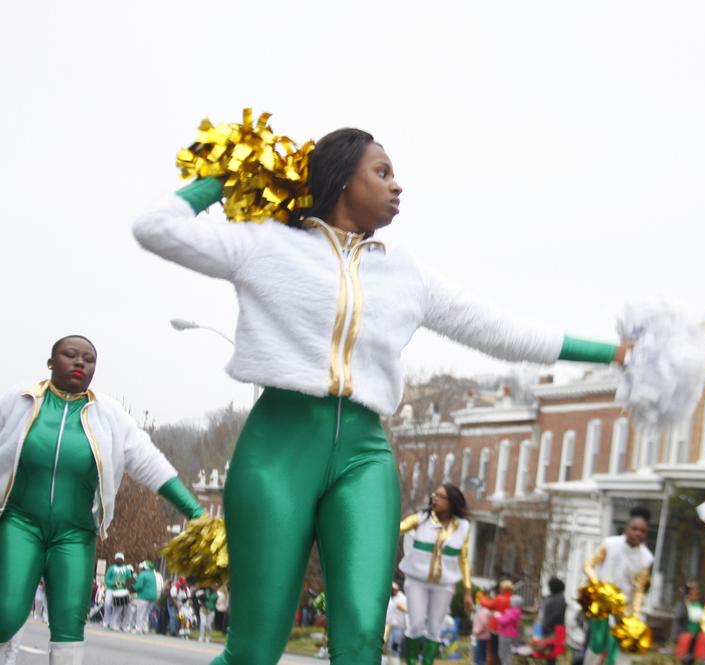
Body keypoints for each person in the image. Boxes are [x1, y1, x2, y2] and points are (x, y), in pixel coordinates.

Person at [132, 127, 628, 665]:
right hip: (277, 451)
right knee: (254, 648)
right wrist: (222, 179)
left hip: (365, 457)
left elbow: (501, 330)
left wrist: (612, 354)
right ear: (343, 178)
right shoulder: (265, 245)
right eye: (383, 172)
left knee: (362, 639)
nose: (398, 187)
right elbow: (156, 228)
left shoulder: (406, 274)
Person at [0, 335, 204, 665]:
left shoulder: (109, 416)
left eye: (89, 359)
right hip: (20, 522)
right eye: (70, 355)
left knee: (69, 626)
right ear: (51, 362)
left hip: (75, 534)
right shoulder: (19, 399)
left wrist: (194, 511)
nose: (80, 363)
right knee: (6, 613)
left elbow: (150, 463)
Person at [398, 483, 473, 665]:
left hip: (444, 585)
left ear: (452, 502)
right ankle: (412, 661)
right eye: (434, 495)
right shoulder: (421, 519)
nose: (435, 499)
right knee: (415, 625)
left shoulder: (463, 527)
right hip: (416, 581)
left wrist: (467, 591)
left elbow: (463, 559)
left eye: (441, 496)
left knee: (434, 629)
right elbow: (398, 528)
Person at [582, 506, 654, 665]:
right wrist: (598, 586)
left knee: (620, 653)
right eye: (634, 529)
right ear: (626, 528)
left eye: (642, 531)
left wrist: (635, 616)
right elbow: (588, 565)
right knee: (596, 646)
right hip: (601, 606)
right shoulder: (609, 544)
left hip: (623, 610)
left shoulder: (646, 558)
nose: (637, 533)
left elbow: (639, 590)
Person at [479, 580, 514, 665]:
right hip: (508, 629)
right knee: (504, 650)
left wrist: (481, 597)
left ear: (503, 589)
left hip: (496, 628)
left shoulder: (499, 598)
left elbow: (487, 604)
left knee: (494, 649)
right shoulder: (513, 600)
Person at [104, 553, 134, 631]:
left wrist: (125, 584)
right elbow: (107, 579)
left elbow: (131, 580)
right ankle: (106, 621)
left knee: (118, 608)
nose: (119, 560)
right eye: (118, 559)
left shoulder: (126, 569)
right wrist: (112, 584)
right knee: (107, 604)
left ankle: (113, 623)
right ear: (115, 559)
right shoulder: (111, 568)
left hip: (121, 590)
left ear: (123, 560)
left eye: (121, 559)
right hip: (111, 589)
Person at [384, 581, 408, 665]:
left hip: (398, 626)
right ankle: (386, 662)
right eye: (392, 589)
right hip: (388, 625)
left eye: (394, 589)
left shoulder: (402, 598)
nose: (393, 590)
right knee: (386, 645)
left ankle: (395, 662)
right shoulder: (390, 598)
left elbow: (406, 611)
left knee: (395, 645)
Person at [131, 561, 158, 634]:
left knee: (140, 613)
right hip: (153, 597)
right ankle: (144, 628)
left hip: (144, 596)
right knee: (146, 613)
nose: (139, 569)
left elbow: (139, 586)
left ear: (144, 567)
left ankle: (138, 628)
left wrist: (132, 587)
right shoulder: (153, 575)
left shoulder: (142, 574)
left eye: (141, 567)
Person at [496, 595, 523, 665]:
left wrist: (498, 616)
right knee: (506, 653)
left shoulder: (514, 611)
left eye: (511, 601)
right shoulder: (516, 611)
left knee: (504, 653)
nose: (510, 602)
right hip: (511, 634)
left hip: (506, 634)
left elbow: (503, 621)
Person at [471, 597, 492, 665]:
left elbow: (484, 624)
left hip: (481, 635)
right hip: (484, 635)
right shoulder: (486, 612)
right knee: (482, 653)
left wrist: (477, 632)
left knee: (479, 653)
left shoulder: (483, 612)